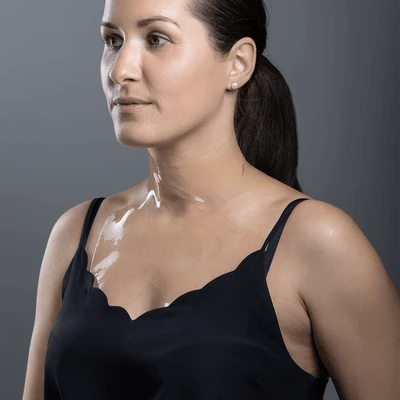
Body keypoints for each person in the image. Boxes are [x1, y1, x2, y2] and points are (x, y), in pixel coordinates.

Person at [22, 0, 400, 399]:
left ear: (237, 63)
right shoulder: (76, 234)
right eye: (113, 40)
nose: (120, 70)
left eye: (156, 39)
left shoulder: (317, 242)